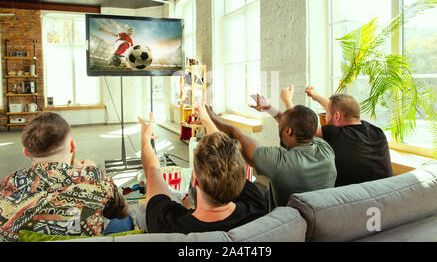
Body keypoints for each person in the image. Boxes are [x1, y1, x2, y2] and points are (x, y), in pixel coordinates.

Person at [0, 112, 131, 242]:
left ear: (26, 152)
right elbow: (123, 212)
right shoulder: (96, 178)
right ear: (72, 146)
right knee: (124, 219)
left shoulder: (7, 184)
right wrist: (91, 172)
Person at [137, 105, 267, 234]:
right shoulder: (256, 204)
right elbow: (227, 155)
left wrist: (145, 140)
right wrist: (206, 120)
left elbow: (152, 171)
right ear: (241, 177)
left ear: (195, 180)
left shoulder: (166, 225)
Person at [207, 89, 336, 211]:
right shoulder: (326, 149)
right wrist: (268, 108)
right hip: (321, 212)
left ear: (288, 131)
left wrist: (212, 119)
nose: (279, 125)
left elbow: (235, 134)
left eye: (282, 125)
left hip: (289, 224)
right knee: (268, 192)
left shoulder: (281, 163)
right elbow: (298, 125)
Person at [303, 86, 393, 187]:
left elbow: (303, 127)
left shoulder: (336, 134)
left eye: (327, 114)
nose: (326, 117)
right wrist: (318, 97)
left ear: (337, 116)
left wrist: (287, 101)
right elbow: (342, 109)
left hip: (354, 200)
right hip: (387, 195)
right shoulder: (377, 132)